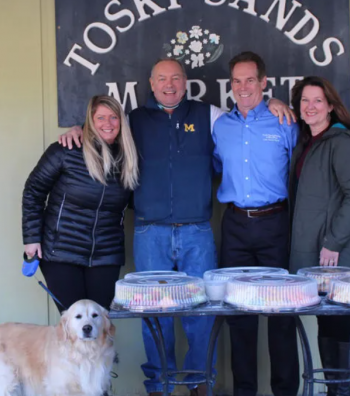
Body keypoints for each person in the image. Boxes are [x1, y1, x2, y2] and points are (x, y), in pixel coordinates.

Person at [59, 58, 294, 396]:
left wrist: (273, 101)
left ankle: (201, 385)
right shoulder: (132, 121)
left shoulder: (210, 116)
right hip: (148, 232)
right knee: (155, 317)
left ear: (185, 82)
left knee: (201, 315)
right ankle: (159, 387)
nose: (169, 84)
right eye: (161, 79)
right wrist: (76, 129)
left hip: (197, 232)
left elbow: (246, 116)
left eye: (175, 78)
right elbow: (101, 129)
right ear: (151, 84)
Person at [212, 51, 300, 396]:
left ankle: (285, 391)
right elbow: (218, 166)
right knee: (239, 316)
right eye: (237, 81)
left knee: (281, 315)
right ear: (230, 85)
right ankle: (244, 391)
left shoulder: (285, 121)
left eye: (251, 80)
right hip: (234, 225)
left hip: (275, 225)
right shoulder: (222, 126)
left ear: (264, 83)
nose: (244, 87)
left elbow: (302, 166)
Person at [288, 76, 350, 396]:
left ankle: (342, 391)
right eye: (304, 101)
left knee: (338, 325)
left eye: (318, 101)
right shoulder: (307, 141)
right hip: (314, 252)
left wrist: (333, 242)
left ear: (331, 107)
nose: (310, 107)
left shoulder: (340, 142)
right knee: (326, 323)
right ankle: (335, 391)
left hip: (334, 253)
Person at [22, 95, 138, 312]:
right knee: (73, 325)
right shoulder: (66, 150)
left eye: (114, 117)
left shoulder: (127, 159)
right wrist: (31, 239)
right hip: (61, 251)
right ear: (90, 121)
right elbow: (33, 192)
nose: (108, 123)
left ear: (122, 122)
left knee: (99, 322)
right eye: (100, 117)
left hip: (106, 254)